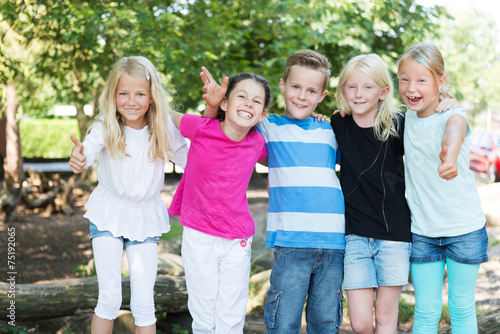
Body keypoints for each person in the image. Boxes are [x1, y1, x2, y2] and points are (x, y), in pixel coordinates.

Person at [201, 49, 346, 334]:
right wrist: (216, 105)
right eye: (296, 87)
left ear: (322, 96)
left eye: (311, 91)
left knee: (326, 322)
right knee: (283, 323)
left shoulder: (331, 130)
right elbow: (226, 134)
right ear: (282, 86)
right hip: (291, 241)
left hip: (334, 242)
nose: (302, 96)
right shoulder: (267, 127)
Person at [69, 56, 188, 334]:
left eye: (139, 94)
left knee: (144, 303)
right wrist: (78, 158)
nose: (131, 101)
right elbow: (86, 152)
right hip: (109, 213)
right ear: (113, 95)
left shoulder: (162, 129)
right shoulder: (106, 125)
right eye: (123, 93)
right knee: (109, 298)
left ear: (151, 97)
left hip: (145, 216)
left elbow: (193, 162)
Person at [167, 71, 270, 333]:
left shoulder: (258, 142)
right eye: (242, 96)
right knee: (204, 312)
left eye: (256, 101)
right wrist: (210, 106)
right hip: (199, 235)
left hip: (237, 239)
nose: (248, 103)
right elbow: (166, 114)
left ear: (262, 115)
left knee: (231, 313)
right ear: (225, 103)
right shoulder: (201, 127)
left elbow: (290, 154)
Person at [398, 42, 489, 334]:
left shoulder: (454, 114)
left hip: (464, 229)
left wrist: (448, 155)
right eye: (404, 79)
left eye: (421, 80)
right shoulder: (406, 118)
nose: (412, 87)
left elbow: (454, 133)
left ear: (440, 81)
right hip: (423, 231)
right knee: (425, 311)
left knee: (462, 309)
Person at [331, 53, 411, 334]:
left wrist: (448, 103)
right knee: (361, 324)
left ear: (383, 91)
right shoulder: (338, 124)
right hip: (355, 236)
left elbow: (431, 125)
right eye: (351, 86)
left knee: (386, 320)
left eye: (367, 87)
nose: (358, 93)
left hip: (394, 236)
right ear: (343, 90)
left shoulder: (398, 124)